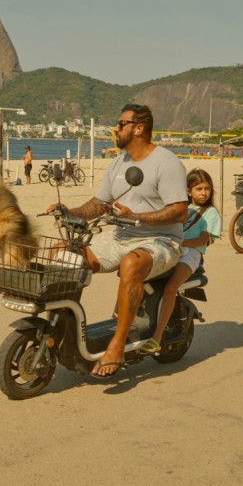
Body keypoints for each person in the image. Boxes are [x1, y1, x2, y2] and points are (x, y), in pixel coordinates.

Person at [46, 104, 188, 378]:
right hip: (119, 236)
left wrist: (138, 216)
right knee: (63, 252)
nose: (115, 128)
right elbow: (100, 204)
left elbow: (179, 210)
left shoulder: (166, 162)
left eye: (121, 123)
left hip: (160, 240)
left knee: (130, 265)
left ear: (138, 128)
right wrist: (70, 212)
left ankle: (118, 345)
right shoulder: (117, 162)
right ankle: (61, 329)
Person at [141, 168, 220, 355]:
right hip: (172, 249)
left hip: (190, 254)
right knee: (136, 273)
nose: (203, 193)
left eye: (206, 188)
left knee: (170, 288)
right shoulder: (180, 208)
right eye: (198, 188)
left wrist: (180, 242)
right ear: (188, 191)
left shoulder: (210, 212)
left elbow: (203, 239)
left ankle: (157, 338)